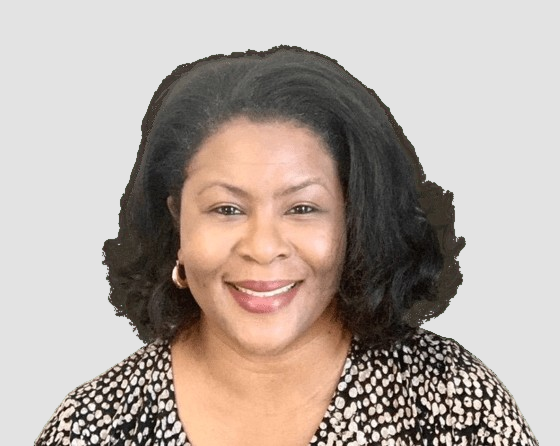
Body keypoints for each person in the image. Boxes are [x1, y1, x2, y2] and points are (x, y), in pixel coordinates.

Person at [35, 47, 538, 445]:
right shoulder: (93, 426)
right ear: (176, 222)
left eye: (302, 208)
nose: (263, 247)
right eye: (226, 209)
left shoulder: (452, 405)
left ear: (355, 220)